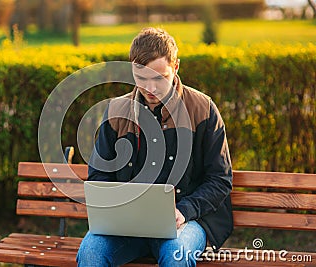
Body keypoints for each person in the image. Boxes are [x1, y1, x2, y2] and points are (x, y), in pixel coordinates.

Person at [76, 27, 233, 267]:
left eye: (160, 78)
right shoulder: (117, 111)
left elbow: (220, 179)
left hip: (188, 221)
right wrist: (115, 210)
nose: (150, 88)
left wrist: (185, 210)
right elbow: (99, 175)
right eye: (142, 78)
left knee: (175, 255)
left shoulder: (203, 109)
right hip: (127, 226)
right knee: (90, 253)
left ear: (176, 67)